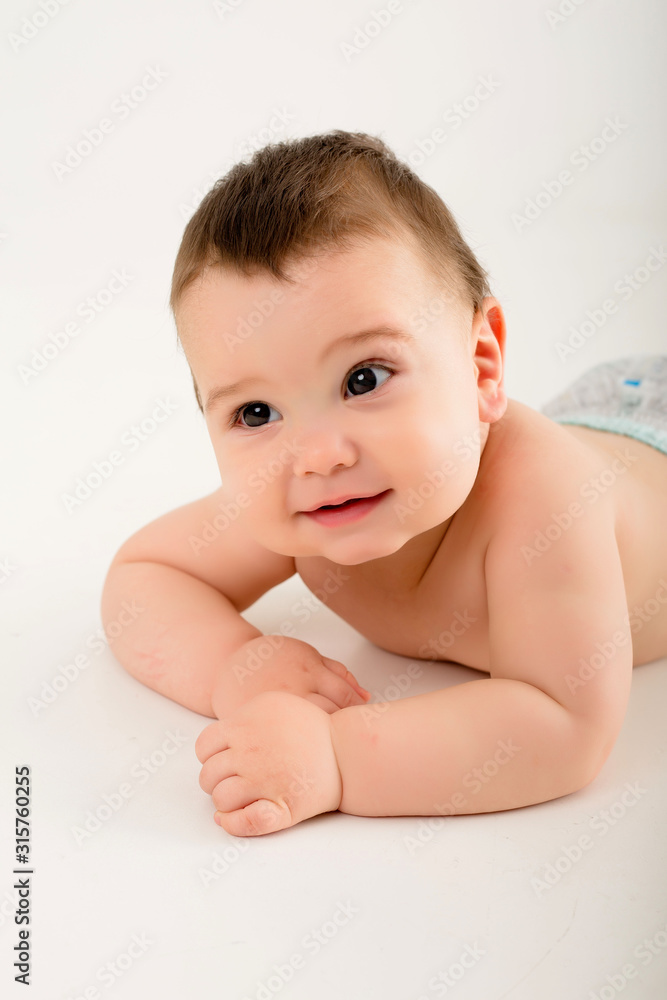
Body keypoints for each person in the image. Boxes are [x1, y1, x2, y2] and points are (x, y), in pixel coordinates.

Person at [100, 130, 667, 837]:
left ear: (481, 368)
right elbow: (144, 574)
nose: (318, 454)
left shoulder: (547, 502)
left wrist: (335, 756)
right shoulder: (296, 493)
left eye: (362, 380)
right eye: (255, 413)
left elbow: (562, 723)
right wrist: (235, 664)